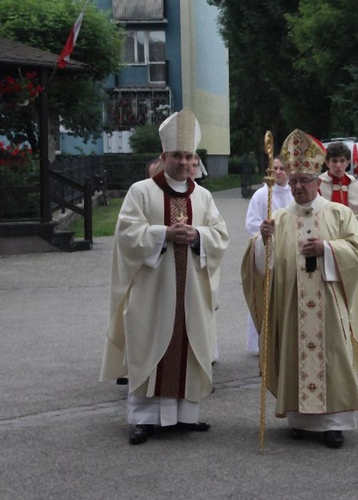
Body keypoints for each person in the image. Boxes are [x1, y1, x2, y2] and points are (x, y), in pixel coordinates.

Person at [100, 108, 230, 445]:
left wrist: (199, 236)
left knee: (188, 345)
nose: (184, 162)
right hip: (153, 290)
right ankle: (144, 418)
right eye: (177, 156)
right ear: (164, 156)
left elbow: (220, 234)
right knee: (149, 344)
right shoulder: (141, 191)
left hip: (190, 292)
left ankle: (186, 416)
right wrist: (163, 235)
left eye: (189, 156)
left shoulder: (203, 196)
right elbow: (127, 235)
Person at [241, 129, 358, 449]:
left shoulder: (338, 213)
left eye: (305, 181)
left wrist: (327, 249)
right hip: (291, 305)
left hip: (327, 304)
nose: (298, 187)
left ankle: (334, 422)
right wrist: (263, 240)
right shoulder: (280, 218)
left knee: (333, 357)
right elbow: (259, 266)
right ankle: (299, 418)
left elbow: (357, 252)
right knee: (294, 355)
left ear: (317, 181)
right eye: (294, 181)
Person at [318, 142, 358, 371]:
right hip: (327, 248)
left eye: (342, 161)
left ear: (348, 162)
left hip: (348, 251)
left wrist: (353, 244)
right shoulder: (320, 184)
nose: (338, 166)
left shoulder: (354, 185)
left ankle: (357, 350)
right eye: (334, 161)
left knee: (353, 302)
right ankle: (330, 352)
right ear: (327, 162)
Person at [243, 157, 293, 355]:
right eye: (275, 168)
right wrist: (266, 233)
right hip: (268, 249)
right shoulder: (261, 195)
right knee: (264, 294)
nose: (278, 172)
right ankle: (258, 343)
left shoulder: (294, 193)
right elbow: (251, 223)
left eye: (282, 168)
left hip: (288, 251)